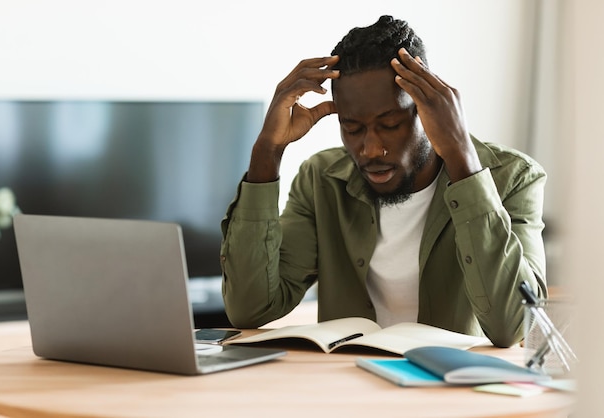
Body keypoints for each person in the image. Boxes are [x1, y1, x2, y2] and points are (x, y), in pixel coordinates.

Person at [220, 15, 547, 348]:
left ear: (430, 109)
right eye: (352, 128)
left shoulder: (514, 178)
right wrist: (268, 151)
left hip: (453, 391)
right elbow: (251, 308)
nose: (370, 149)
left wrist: (462, 156)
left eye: (390, 125)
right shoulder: (321, 179)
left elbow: (514, 325)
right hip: (349, 387)